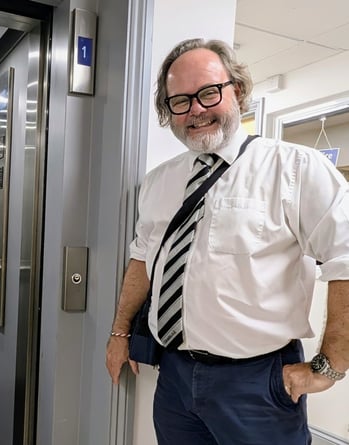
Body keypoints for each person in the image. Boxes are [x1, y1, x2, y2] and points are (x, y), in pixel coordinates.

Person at [105, 38, 349, 445]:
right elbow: (142, 260)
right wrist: (119, 334)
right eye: (179, 101)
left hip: (259, 384)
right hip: (175, 378)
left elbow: (346, 260)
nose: (196, 110)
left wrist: (329, 366)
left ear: (237, 89)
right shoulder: (160, 181)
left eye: (208, 92)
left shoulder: (294, 169)